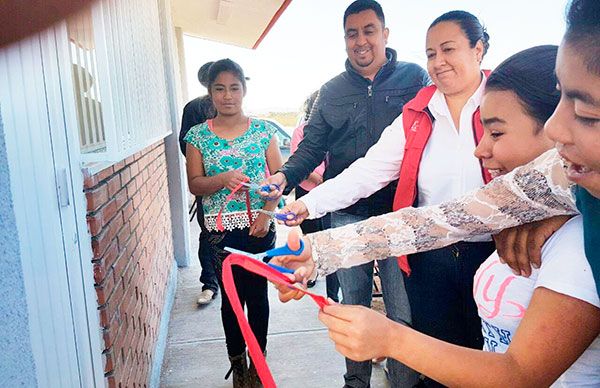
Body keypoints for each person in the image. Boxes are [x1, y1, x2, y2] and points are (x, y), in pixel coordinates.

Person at [279, 43, 600, 387]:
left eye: (585, 111)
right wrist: (317, 252)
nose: (557, 128)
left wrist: (392, 339)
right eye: (430, 52)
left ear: (478, 50)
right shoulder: (557, 181)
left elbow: (519, 373)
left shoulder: (573, 237)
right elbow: (441, 219)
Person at [282, 13, 502, 385]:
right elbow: (370, 170)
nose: (438, 62)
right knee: (435, 362)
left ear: (478, 49)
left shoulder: (506, 102)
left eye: (449, 49)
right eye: (431, 53)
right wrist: (310, 203)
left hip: (497, 258)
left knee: (490, 361)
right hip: (430, 258)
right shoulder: (418, 113)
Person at [262, 1, 430, 386]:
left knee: (401, 309)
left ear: (385, 34)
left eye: (369, 30)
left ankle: (404, 382)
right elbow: (310, 148)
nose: (361, 40)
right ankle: (356, 382)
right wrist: (283, 177)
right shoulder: (331, 91)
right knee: (350, 306)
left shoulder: (414, 78)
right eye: (352, 33)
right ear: (344, 40)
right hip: (347, 213)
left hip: (400, 214)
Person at [183, 58, 283, 387]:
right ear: (209, 94)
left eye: (234, 88)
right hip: (219, 230)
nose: (228, 96)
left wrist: (268, 215)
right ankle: (238, 366)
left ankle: (259, 362)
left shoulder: (264, 131)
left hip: (259, 228)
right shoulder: (197, 136)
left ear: (244, 90)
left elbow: (281, 179)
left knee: (258, 297)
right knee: (232, 299)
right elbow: (195, 184)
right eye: (220, 89)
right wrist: (223, 178)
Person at [290, 91, 339, 301]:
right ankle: (312, 273)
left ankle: (332, 295)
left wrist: (330, 184)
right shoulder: (301, 131)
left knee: (330, 241)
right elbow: (298, 159)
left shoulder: (337, 130)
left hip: (332, 195)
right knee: (310, 237)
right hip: (307, 192)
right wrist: (320, 181)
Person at [179, 61, 220, 305]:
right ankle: (209, 283)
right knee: (209, 233)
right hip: (207, 182)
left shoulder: (232, 105)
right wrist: (205, 174)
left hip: (237, 184)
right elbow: (187, 146)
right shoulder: (194, 107)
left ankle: (233, 278)